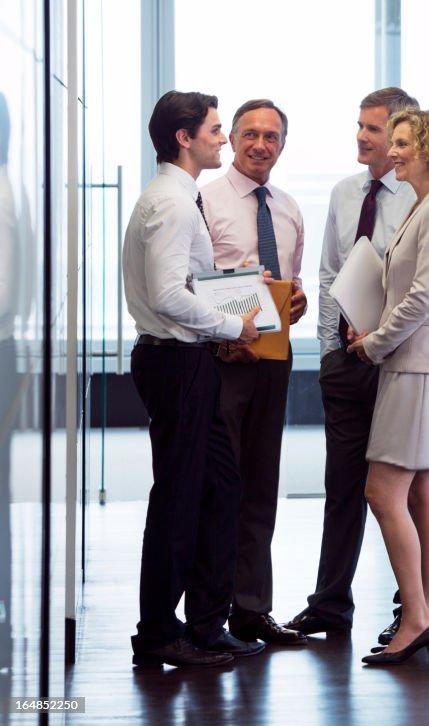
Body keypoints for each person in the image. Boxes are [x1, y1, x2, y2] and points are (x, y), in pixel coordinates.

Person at [123, 90, 265, 667]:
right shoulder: (175, 203)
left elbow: (184, 283)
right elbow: (166, 295)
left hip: (186, 360)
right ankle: (158, 634)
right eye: (213, 129)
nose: (224, 138)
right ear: (183, 138)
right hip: (175, 361)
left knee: (221, 487)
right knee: (179, 501)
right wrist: (233, 327)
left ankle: (205, 624)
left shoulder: (173, 198)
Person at [285, 88, 419, 639]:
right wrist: (328, 351)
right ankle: (330, 603)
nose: (361, 137)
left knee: (401, 492)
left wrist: (379, 345)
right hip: (346, 360)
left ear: (402, 135)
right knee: (341, 486)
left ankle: (409, 609)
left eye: (373, 129)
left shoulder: (421, 198)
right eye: (359, 126)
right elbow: (327, 275)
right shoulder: (344, 194)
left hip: (396, 362)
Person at [347, 109, 429, 665]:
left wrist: (374, 343)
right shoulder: (428, 204)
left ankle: (417, 616)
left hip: (418, 366)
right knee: (420, 491)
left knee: (382, 492)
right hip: (418, 364)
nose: (391, 152)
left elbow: (422, 298)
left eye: (401, 142)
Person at [200, 99, 308, 646]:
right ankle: (209, 615)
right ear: (232, 140)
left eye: (271, 136)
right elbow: (192, 283)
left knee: (262, 485)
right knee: (221, 487)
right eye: (249, 134)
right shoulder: (206, 200)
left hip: (274, 362)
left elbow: (287, 283)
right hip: (222, 363)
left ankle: (251, 609)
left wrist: (298, 302)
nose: (260, 144)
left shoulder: (288, 209)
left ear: (282, 145)